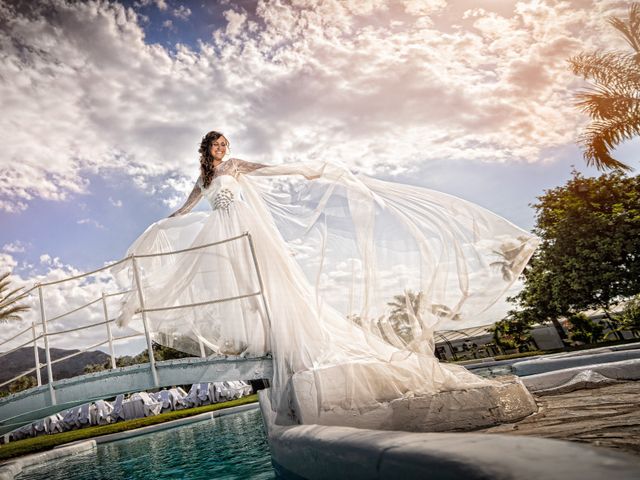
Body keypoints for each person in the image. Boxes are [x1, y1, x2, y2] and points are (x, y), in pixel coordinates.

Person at [113, 130, 538, 423]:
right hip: (220, 232)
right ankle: (270, 339)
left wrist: (307, 170)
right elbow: (187, 208)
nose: (225, 149)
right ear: (207, 148)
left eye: (227, 143)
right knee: (236, 286)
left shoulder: (236, 165)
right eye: (219, 144)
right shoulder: (204, 177)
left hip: (246, 228)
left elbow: (268, 169)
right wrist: (165, 221)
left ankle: (294, 339)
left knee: (270, 280)